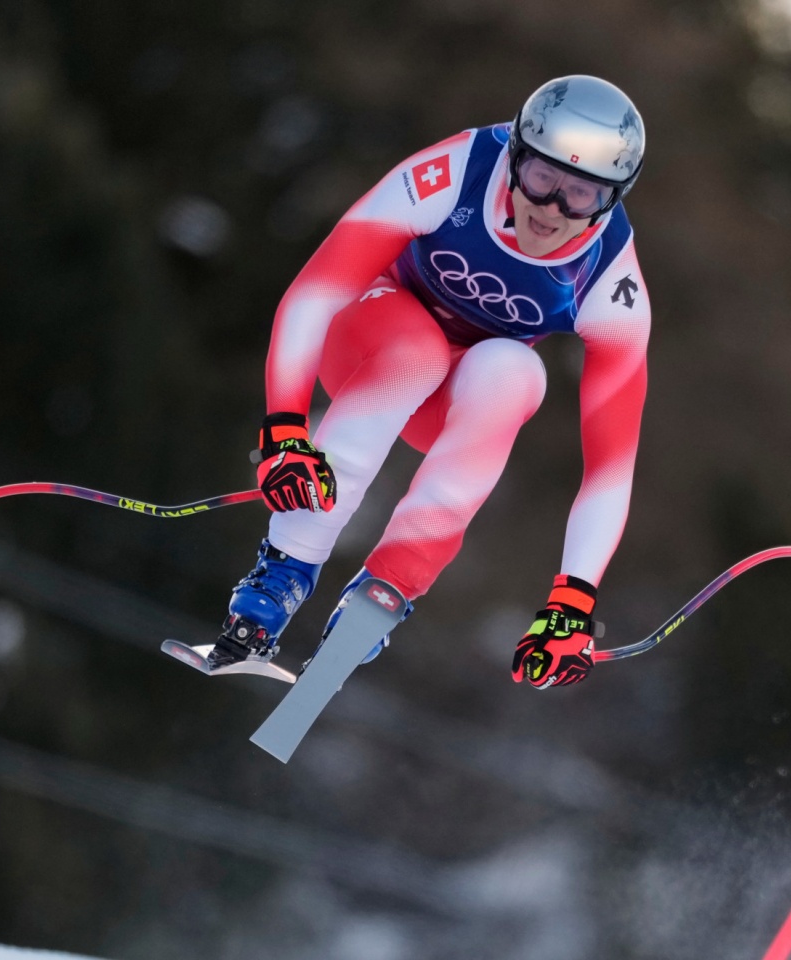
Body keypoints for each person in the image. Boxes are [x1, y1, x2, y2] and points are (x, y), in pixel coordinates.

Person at [208, 75, 652, 689]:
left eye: (580, 195)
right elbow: (316, 292)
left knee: (516, 372)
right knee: (416, 351)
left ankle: (385, 591)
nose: (551, 208)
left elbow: (610, 468)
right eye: (541, 178)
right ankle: (283, 571)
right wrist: (284, 425)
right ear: (515, 156)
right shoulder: (458, 170)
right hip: (367, 344)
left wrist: (572, 601)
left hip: (447, 404)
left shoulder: (610, 280)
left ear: (611, 199)